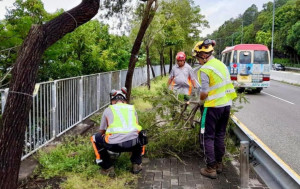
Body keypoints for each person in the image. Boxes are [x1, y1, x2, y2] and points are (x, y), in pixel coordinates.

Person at [193, 39, 237, 179]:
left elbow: (204, 92)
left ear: (204, 55)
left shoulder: (205, 69)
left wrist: (200, 102)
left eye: (198, 57)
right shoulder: (221, 65)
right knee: (220, 135)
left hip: (212, 107)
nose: (198, 60)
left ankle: (210, 168)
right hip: (226, 106)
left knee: (207, 136)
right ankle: (218, 164)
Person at [90, 87, 145, 177]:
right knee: (141, 135)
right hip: (133, 143)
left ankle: (107, 167)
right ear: (124, 100)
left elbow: (102, 131)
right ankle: (136, 164)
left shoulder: (108, 109)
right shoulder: (132, 109)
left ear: (113, 101)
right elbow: (136, 128)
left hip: (114, 145)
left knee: (95, 138)